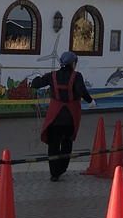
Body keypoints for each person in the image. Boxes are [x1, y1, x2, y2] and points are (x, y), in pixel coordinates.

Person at [31, 50, 94, 181]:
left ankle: (54, 173)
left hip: (55, 117)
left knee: (53, 146)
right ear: (73, 63)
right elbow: (82, 91)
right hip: (70, 117)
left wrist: (37, 77)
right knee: (67, 145)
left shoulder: (52, 75)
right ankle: (61, 169)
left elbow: (36, 84)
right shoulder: (77, 76)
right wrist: (91, 101)